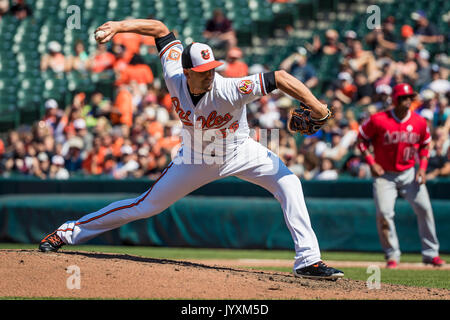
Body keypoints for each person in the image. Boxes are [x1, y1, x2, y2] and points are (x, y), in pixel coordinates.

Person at [38, 17, 344, 280]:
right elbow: (159, 29)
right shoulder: (174, 76)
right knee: (146, 206)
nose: (210, 73)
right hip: (196, 157)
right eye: (203, 70)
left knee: (289, 182)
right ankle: (66, 232)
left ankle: (308, 260)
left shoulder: (229, 88)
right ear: (187, 72)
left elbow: (279, 77)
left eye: (212, 67)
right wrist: (120, 27)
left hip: (242, 150)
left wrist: (316, 107)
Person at [357, 83, 445, 269]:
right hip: (385, 175)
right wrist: (372, 163)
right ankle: (392, 255)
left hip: (409, 173)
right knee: (384, 214)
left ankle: (431, 254)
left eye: (409, 98)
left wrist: (423, 169)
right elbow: (362, 138)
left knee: (425, 209)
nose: (407, 101)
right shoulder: (379, 119)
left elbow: (425, 144)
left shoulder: (419, 121)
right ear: (395, 100)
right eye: (403, 98)